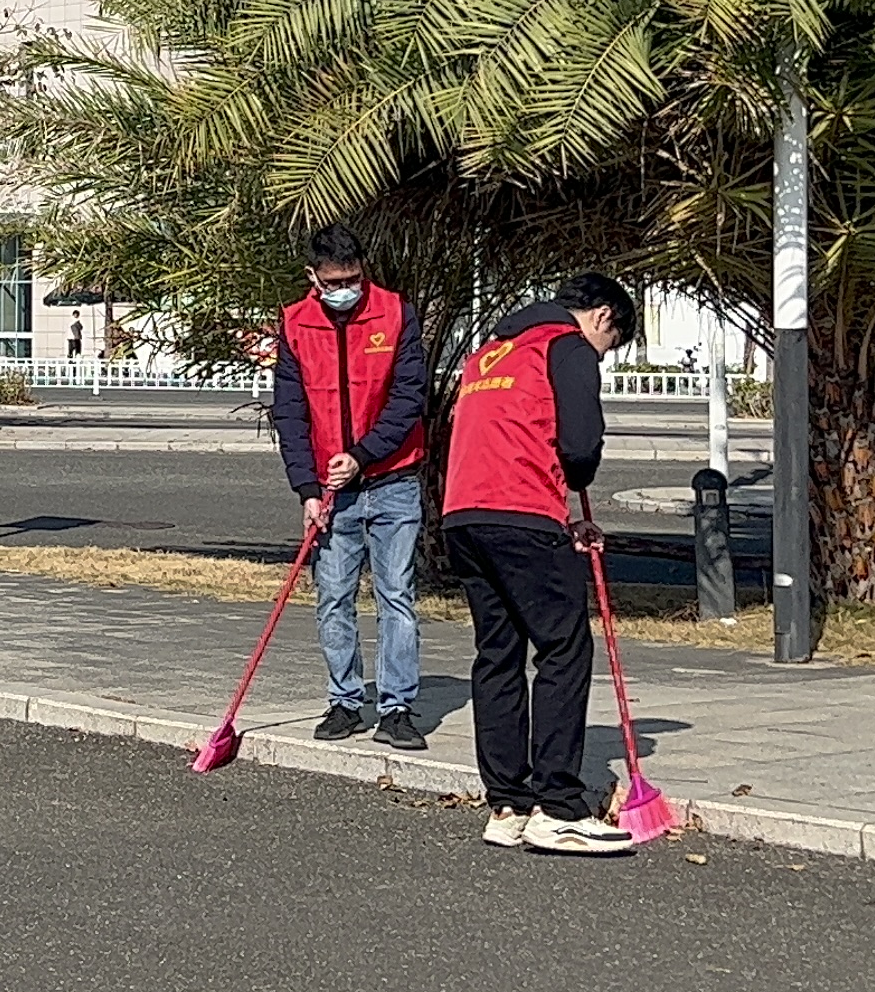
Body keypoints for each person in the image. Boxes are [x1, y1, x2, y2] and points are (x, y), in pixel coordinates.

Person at [441, 273, 638, 854]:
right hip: (520, 510)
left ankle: (507, 804)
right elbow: (579, 446)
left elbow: (508, 433)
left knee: (498, 653)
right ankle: (558, 806)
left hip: (465, 514)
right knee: (564, 648)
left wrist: (562, 515)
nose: (603, 353)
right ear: (603, 316)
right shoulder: (568, 346)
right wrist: (575, 481)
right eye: (611, 344)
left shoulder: (489, 353)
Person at [270, 224, 434, 750]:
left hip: (393, 479)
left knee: (396, 596)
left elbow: (409, 398)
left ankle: (397, 708)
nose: (346, 289)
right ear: (313, 277)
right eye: (334, 282)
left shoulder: (395, 312)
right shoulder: (295, 324)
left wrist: (363, 455)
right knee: (333, 597)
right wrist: (307, 488)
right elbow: (290, 413)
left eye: (353, 279)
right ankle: (344, 701)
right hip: (330, 491)